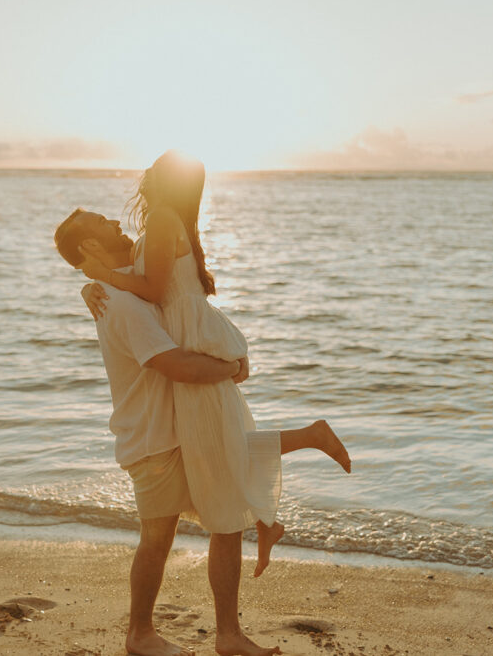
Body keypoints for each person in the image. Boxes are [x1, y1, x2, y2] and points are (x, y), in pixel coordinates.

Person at [55, 207, 351, 656]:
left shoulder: (125, 281)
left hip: (173, 428)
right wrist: (230, 365)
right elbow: (173, 364)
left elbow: (160, 280)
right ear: (90, 247)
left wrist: (88, 280)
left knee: (226, 501)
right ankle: (142, 635)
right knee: (159, 539)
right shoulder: (124, 303)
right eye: (101, 223)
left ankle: (229, 624)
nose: (114, 222)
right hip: (153, 437)